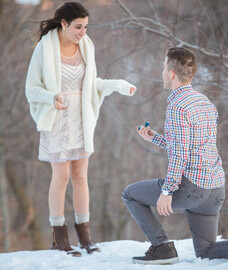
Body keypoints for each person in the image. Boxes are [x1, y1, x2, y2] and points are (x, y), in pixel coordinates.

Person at [121, 47, 228, 266]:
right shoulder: (205, 102)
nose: (162, 72)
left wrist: (167, 191)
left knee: (130, 194)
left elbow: (181, 154)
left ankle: (162, 247)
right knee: (206, 251)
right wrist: (155, 138)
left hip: (192, 188)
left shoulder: (177, 107)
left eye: (164, 67)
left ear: (171, 73)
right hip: (215, 189)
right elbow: (193, 147)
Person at [25, 2, 136, 257]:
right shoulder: (44, 48)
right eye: (77, 27)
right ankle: (59, 237)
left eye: (85, 27)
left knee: (81, 177)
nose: (82, 32)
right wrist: (52, 97)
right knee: (61, 177)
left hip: (81, 119)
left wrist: (116, 84)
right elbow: (31, 89)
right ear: (63, 24)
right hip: (56, 118)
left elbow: (91, 84)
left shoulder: (87, 46)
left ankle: (85, 237)